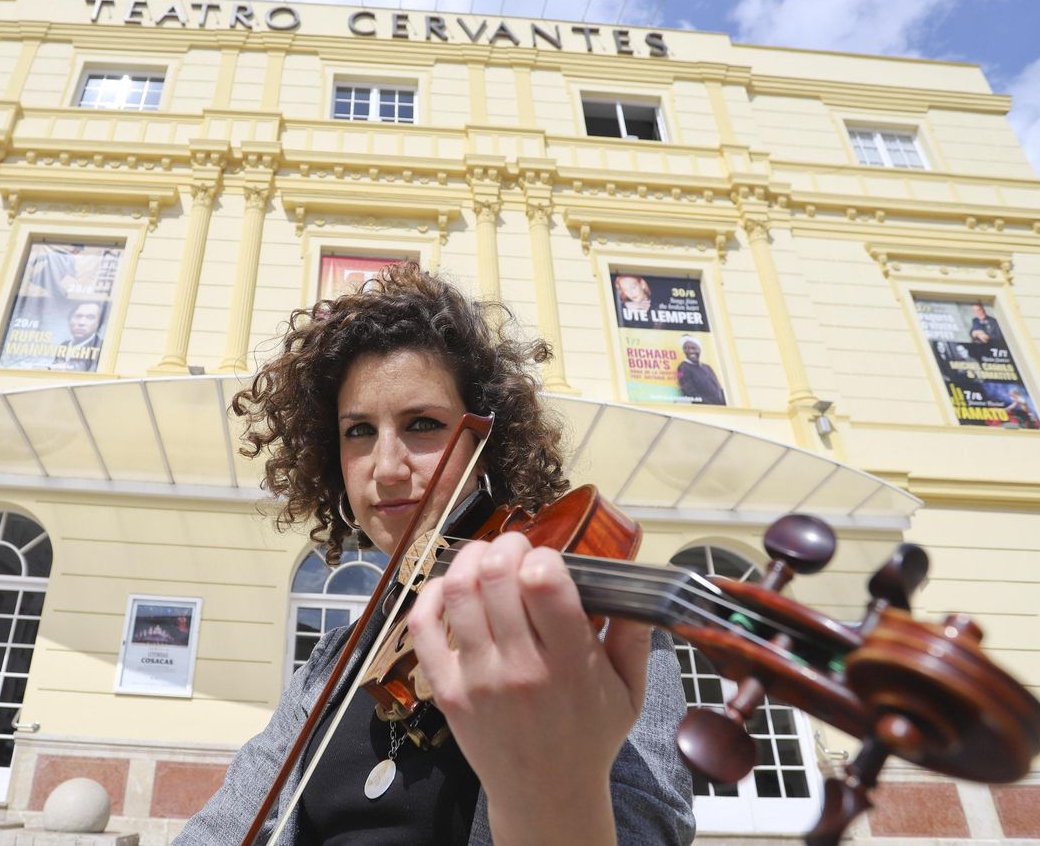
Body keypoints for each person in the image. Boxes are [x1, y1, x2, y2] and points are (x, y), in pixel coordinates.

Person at [177, 262, 694, 844]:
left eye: (423, 424)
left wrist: (553, 784)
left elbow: (646, 827)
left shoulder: (580, 621)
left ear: (486, 441)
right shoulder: (334, 661)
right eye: (358, 431)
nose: (387, 467)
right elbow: (223, 827)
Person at [52, 301, 105, 372]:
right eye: (78, 316)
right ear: (69, 320)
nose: (81, 323)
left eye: (90, 317)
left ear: (99, 323)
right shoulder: (64, 345)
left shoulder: (102, 347)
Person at [676, 336, 726, 406]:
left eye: (693, 348)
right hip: (705, 408)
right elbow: (688, 391)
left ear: (699, 349)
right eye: (686, 348)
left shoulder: (707, 367)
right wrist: (708, 404)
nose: (690, 351)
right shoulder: (682, 367)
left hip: (720, 407)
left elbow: (718, 387)